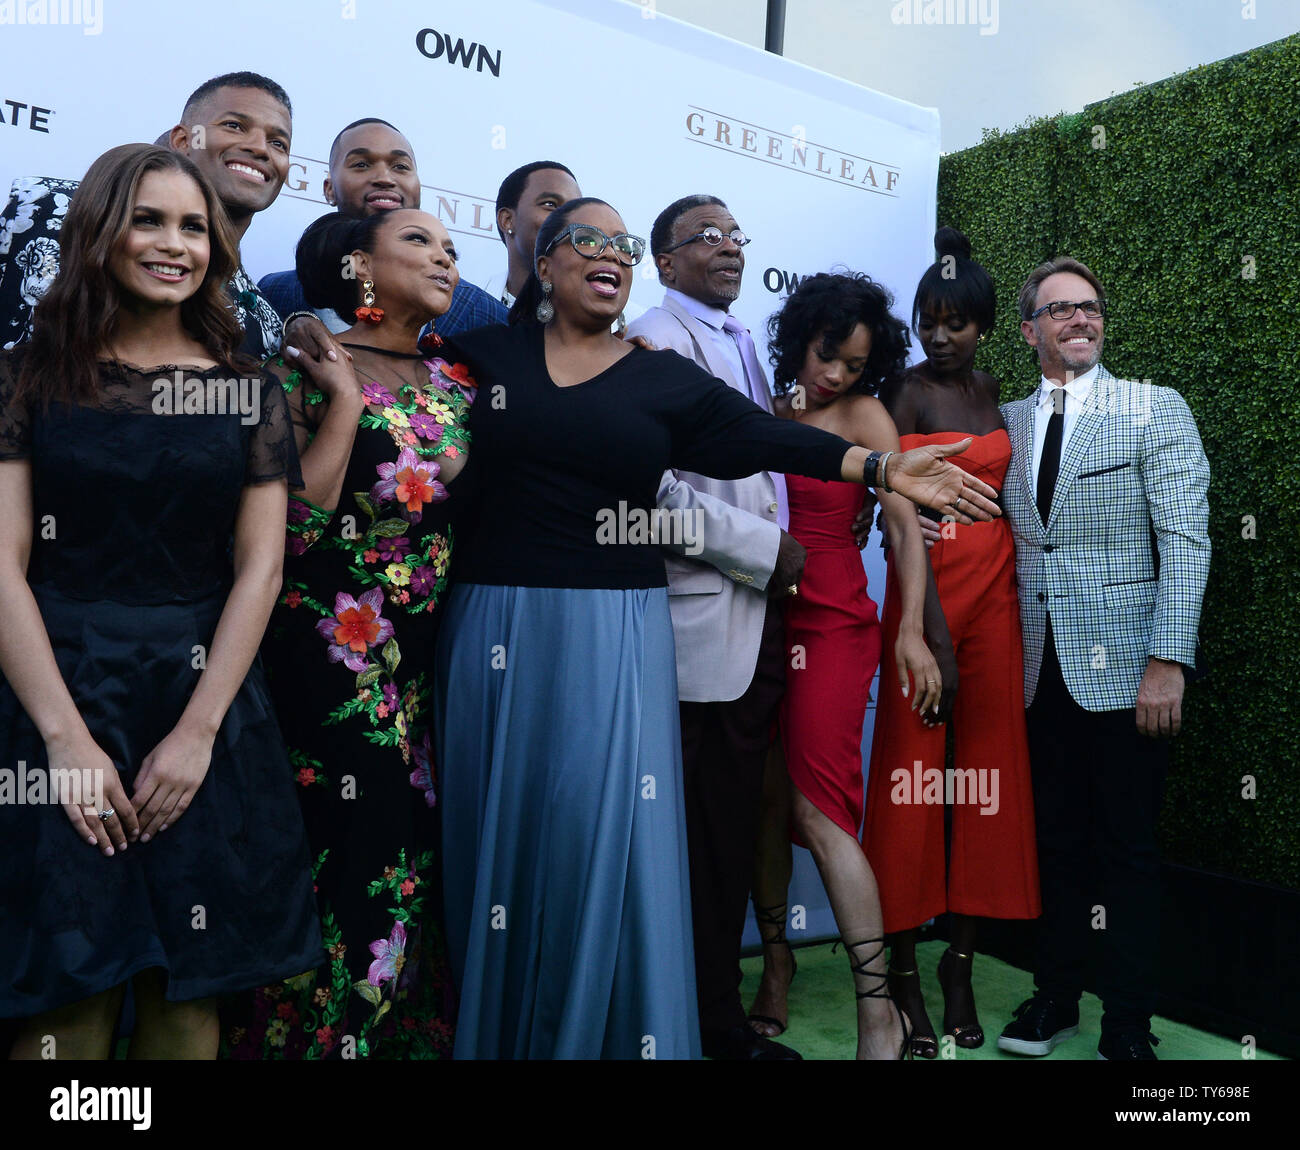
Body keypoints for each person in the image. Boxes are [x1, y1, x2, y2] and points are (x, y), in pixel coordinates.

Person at [432, 197, 1001, 1059]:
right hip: (493, 625)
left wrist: (882, 467)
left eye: (620, 244)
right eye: (587, 239)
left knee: (604, 841)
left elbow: (762, 439)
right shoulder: (477, 354)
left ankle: (607, 1029)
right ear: (542, 264)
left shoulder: (653, 372)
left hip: (615, 629)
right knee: (496, 833)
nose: (608, 254)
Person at [0, 143, 320, 1058]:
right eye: (148, 219)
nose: (174, 243)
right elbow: (4, 563)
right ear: (102, 230)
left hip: (205, 707)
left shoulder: (248, 388)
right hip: (55, 695)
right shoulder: (24, 377)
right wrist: (64, 740)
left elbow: (260, 570)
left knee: (190, 997)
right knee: (69, 1000)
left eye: (193, 226)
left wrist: (197, 732)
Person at [222, 206, 470, 1059]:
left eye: (450, 247)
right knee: (353, 855)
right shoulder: (299, 365)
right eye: (419, 242)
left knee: (415, 860)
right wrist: (341, 402)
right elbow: (292, 531)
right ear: (358, 265)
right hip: (333, 659)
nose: (443, 255)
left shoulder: (462, 380)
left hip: (436, 663)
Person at [995, 257, 1209, 1061]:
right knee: (1054, 842)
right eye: (1059, 311)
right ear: (1029, 331)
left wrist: (1167, 660)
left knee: (1128, 851)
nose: (1080, 320)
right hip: (1035, 670)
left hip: (1129, 672)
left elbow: (1186, 541)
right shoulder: (1009, 422)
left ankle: (1127, 1026)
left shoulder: (1155, 410)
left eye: (1089, 307)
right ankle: (1055, 997)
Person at [742, 271, 945, 1059]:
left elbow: (902, 528)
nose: (835, 375)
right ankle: (777, 964)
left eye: (855, 364)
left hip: (834, 626)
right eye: (829, 355)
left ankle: (877, 1010)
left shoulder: (865, 417)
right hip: (757, 619)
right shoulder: (763, 408)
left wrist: (913, 633)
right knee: (762, 796)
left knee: (818, 811)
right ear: (802, 337)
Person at [625, 194, 806, 1060]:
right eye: (705, 236)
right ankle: (698, 1025)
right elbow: (648, 494)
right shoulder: (655, 338)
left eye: (737, 234)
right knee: (693, 839)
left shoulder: (740, 343)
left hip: (755, 618)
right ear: (663, 262)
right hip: (701, 621)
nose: (728, 247)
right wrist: (765, 550)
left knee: (730, 830)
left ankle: (711, 1015)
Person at [863, 229, 1041, 1058]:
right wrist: (927, 627)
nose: (939, 337)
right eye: (928, 322)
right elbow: (895, 517)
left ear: (983, 327)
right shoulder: (900, 395)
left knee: (987, 784)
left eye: (955, 323)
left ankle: (959, 967)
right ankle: (902, 972)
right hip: (925, 605)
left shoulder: (998, 390)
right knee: (909, 785)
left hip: (997, 602)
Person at [0, 71, 293, 359]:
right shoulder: (48, 206)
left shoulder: (265, 321)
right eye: (234, 125)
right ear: (183, 141)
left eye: (278, 143)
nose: (259, 148)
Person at [258, 118, 507, 339]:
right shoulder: (274, 293)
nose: (385, 178)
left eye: (400, 166)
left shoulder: (485, 315)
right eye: (361, 165)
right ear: (329, 189)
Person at [489, 160, 582, 308]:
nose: (570, 220)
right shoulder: (463, 310)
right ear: (507, 220)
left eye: (576, 210)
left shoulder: (622, 323)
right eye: (550, 204)